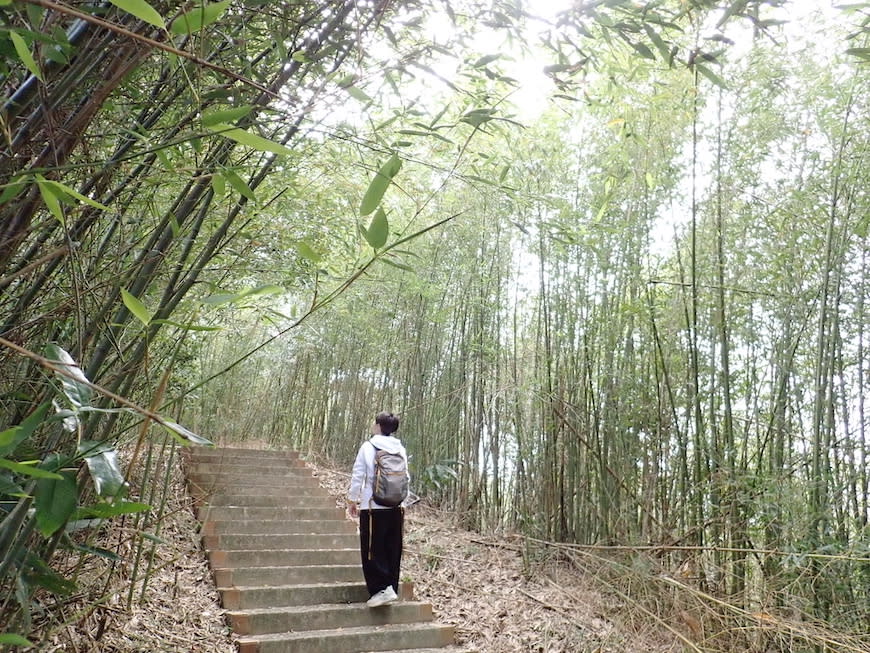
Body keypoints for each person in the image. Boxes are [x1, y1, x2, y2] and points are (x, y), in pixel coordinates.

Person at [347, 411, 409, 608]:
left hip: (373, 506)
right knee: (393, 547)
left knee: (373, 549)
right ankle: (391, 586)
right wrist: (403, 501)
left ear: (378, 427)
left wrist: (352, 500)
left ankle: (380, 590)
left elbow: (359, 475)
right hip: (397, 506)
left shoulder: (369, 446)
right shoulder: (400, 449)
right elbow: (406, 477)